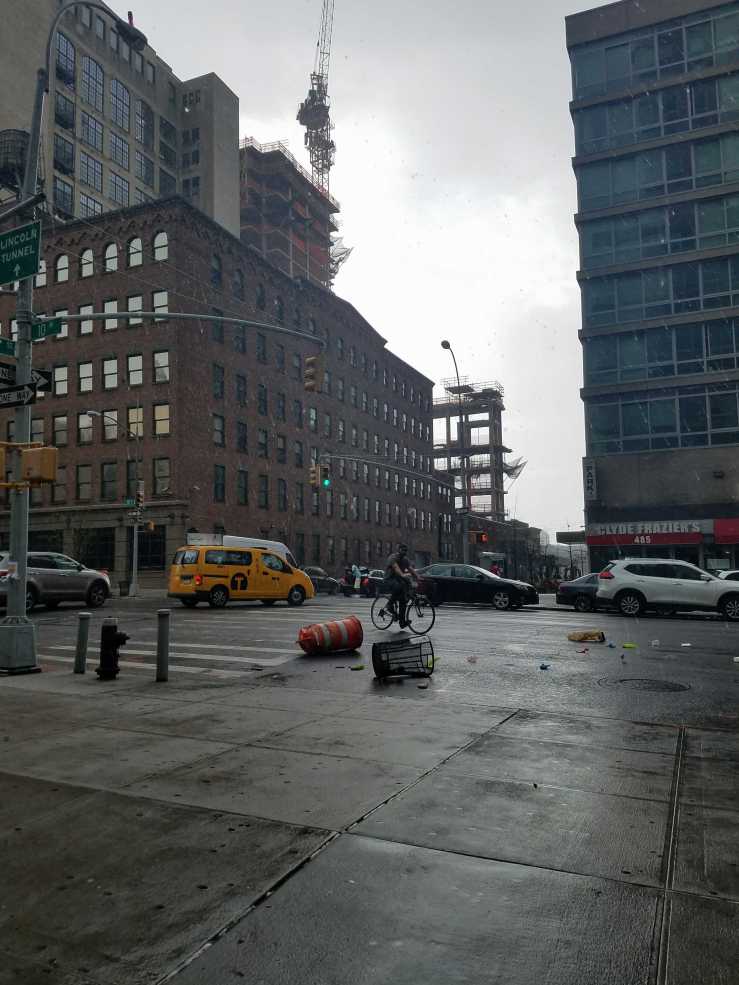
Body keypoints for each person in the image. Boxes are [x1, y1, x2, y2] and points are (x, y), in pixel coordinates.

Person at [385, 543, 416, 628]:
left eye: (406, 550)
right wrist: (402, 575)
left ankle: (402, 623)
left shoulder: (405, 560)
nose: (404, 552)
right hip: (389, 579)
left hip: (398, 580)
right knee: (398, 587)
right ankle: (389, 605)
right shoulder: (393, 557)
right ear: (399, 550)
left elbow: (410, 568)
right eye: (403, 550)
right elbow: (396, 567)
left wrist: (417, 576)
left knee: (403, 601)